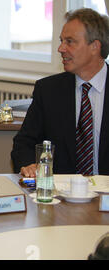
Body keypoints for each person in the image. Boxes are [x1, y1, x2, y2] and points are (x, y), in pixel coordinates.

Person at [11, 8, 109, 177]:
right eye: (61, 41)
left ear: (94, 46)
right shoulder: (48, 90)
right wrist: (28, 165)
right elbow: (24, 143)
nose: (61, 48)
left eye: (69, 41)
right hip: (60, 196)